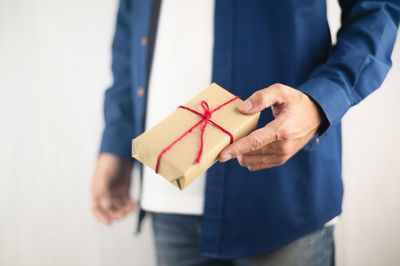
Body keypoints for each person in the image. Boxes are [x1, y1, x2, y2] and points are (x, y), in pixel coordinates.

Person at [91, 0, 400, 265]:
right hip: (168, 185)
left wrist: (321, 101)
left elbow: (378, 9)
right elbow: (129, 26)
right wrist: (117, 142)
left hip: (282, 191)